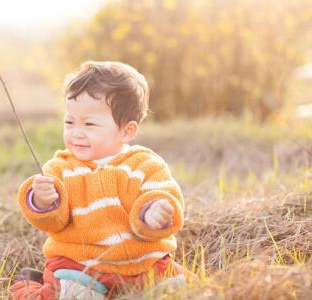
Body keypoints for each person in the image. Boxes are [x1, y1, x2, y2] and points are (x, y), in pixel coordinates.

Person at [10, 61, 186, 300]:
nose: (76, 132)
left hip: (143, 262)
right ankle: (27, 287)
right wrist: (42, 201)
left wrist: (155, 212)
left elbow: (163, 195)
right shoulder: (60, 168)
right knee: (67, 293)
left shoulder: (144, 164)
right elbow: (54, 221)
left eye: (89, 124)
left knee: (180, 288)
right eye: (69, 122)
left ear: (127, 131)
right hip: (80, 265)